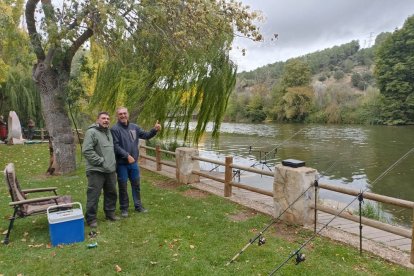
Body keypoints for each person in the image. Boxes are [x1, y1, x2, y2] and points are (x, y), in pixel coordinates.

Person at [111, 107, 161, 217]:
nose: (123, 115)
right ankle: (124, 208)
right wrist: (126, 155)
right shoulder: (114, 129)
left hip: (133, 164)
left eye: (124, 113)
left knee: (136, 185)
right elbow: (115, 146)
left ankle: (138, 206)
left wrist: (155, 130)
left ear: (128, 114)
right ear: (117, 116)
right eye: (120, 114)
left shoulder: (135, 127)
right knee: (123, 186)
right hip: (121, 164)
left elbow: (146, 135)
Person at [82, 112, 119, 228]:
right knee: (94, 195)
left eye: (108, 118)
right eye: (103, 118)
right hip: (96, 170)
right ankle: (91, 219)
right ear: (97, 120)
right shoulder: (91, 132)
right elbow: (87, 150)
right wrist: (101, 161)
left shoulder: (109, 132)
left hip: (110, 170)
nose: (106, 120)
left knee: (111, 193)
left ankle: (110, 213)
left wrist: (111, 163)